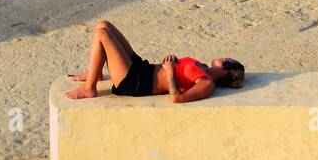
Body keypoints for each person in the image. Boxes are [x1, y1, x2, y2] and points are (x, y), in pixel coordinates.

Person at [65, 20, 245, 103]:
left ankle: (90, 88)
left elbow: (176, 97)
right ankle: (95, 74)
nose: (224, 56)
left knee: (101, 35)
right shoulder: (202, 66)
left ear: (228, 69)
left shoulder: (206, 83)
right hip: (143, 67)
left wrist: (171, 72)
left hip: (136, 81)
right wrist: (173, 61)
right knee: (104, 25)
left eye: (227, 60)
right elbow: (181, 69)